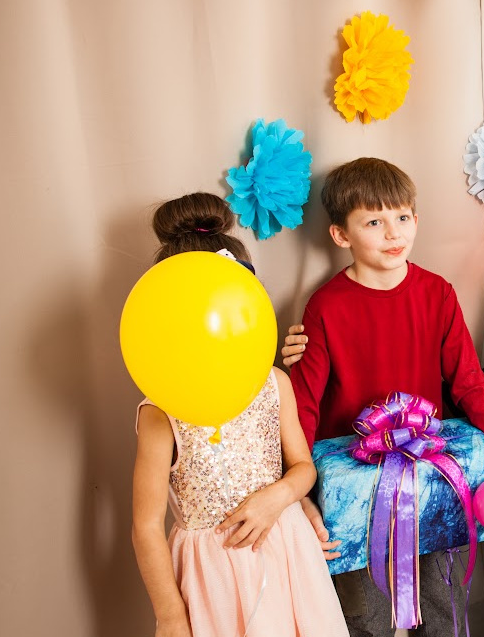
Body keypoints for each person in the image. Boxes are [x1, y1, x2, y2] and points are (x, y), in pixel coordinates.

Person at [285, 157, 484, 637]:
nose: (394, 233)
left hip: (428, 476)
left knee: (441, 600)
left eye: (403, 217)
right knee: (364, 613)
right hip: (352, 488)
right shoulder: (325, 306)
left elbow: (468, 380)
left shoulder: (437, 293)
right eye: (374, 222)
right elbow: (302, 404)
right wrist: (299, 490)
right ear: (341, 235)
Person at [131, 192, 348, 637]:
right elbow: (146, 525)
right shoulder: (161, 411)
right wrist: (171, 616)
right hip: (214, 575)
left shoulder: (273, 383)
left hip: (286, 549)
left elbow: (303, 467)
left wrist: (279, 497)